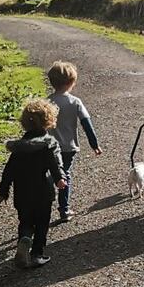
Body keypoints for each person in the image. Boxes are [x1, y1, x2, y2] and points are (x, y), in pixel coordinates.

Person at [0, 99, 68, 268]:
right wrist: (60, 179)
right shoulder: (47, 145)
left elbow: (8, 171)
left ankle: (24, 240)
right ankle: (36, 255)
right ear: (49, 121)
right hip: (43, 191)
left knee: (25, 221)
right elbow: (54, 164)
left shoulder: (18, 149)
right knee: (42, 223)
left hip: (22, 193)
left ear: (24, 123)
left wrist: (2, 192)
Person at [47, 61, 103, 223]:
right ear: (71, 82)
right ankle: (64, 209)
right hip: (68, 147)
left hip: (49, 147)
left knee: (49, 173)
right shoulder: (75, 102)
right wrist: (94, 145)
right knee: (65, 175)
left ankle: (45, 202)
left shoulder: (47, 102)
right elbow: (87, 124)